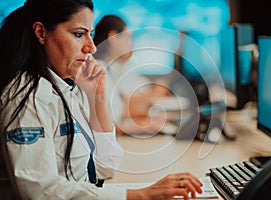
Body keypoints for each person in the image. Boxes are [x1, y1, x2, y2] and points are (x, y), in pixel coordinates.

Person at [0, 0, 202, 199]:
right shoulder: (26, 96)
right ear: (41, 33)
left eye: (91, 34)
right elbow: (39, 192)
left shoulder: (66, 88)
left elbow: (105, 167)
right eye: (79, 34)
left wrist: (97, 96)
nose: (91, 47)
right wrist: (140, 195)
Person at [93, 15, 170, 135]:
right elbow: (100, 125)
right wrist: (140, 127)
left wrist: (145, 121)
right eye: (127, 38)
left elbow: (115, 113)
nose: (131, 45)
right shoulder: (96, 71)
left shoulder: (106, 68)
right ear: (113, 37)